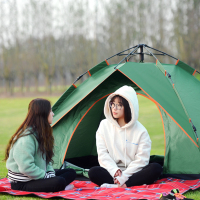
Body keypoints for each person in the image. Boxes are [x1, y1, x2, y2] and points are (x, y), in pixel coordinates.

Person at [89, 85, 162, 188]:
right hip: (113, 172)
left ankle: (122, 185)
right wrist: (115, 171)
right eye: (112, 104)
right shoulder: (104, 125)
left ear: (129, 106)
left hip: (133, 172)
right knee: (93, 172)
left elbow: (142, 160)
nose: (114, 108)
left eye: (119, 105)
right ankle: (123, 184)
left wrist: (125, 176)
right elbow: (103, 154)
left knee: (156, 168)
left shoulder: (141, 131)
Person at [5, 98, 76, 192]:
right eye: (50, 111)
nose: (53, 114)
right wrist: (46, 176)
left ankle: (56, 186)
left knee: (71, 172)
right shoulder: (26, 138)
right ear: (43, 113)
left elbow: (47, 159)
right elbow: (26, 167)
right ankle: (59, 187)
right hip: (23, 182)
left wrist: (50, 173)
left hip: (37, 176)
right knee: (59, 181)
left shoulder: (41, 133)